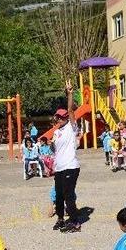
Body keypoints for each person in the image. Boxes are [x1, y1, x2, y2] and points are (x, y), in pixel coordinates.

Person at [52, 80, 83, 233]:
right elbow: (56, 150)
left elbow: (71, 110)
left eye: (60, 117)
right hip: (59, 167)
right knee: (58, 195)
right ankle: (60, 219)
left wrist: (69, 93)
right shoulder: (57, 132)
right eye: (57, 117)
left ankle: (75, 222)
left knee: (68, 194)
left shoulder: (72, 128)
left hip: (71, 166)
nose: (57, 119)